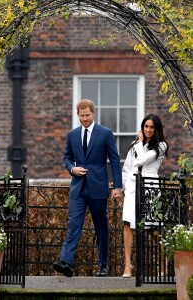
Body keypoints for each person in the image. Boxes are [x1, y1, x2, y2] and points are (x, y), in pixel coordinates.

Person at [53, 99, 122, 277]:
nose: (85, 119)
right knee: (74, 225)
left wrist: (117, 186)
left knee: (101, 227)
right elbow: (66, 158)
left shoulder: (105, 133)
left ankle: (103, 265)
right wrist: (71, 168)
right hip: (78, 188)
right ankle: (66, 262)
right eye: (82, 116)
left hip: (98, 188)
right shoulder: (72, 135)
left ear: (93, 113)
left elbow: (114, 160)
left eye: (87, 115)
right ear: (78, 115)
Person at [122, 114, 169, 278]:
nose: (148, 130)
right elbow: (128, 167)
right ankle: (128, 265)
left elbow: (142, 160)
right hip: (132, 187)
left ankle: (162, 265)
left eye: (151, 127)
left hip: (149, 187)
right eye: (146, 126)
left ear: (156, 129)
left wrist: (141, 142)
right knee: (128, 224)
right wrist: (124, 187)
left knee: (154, 227)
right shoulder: (135, 144)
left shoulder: (161, 146)